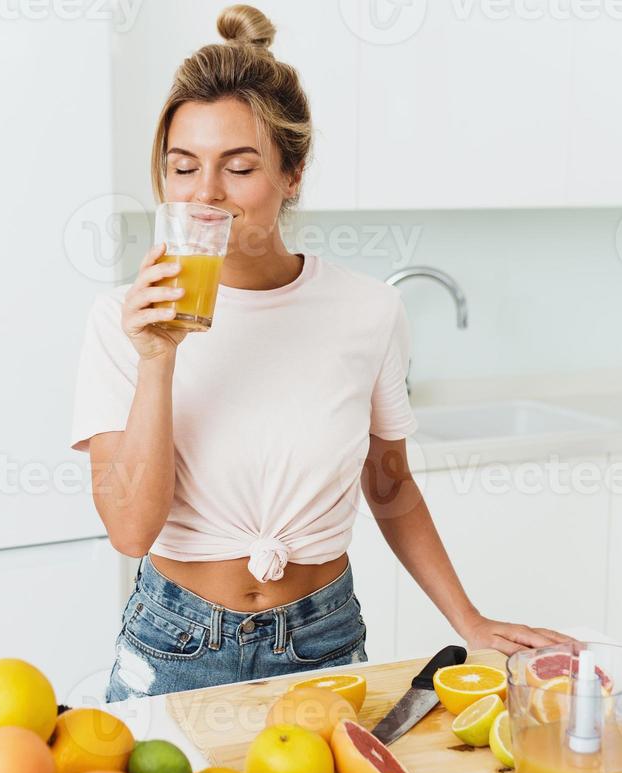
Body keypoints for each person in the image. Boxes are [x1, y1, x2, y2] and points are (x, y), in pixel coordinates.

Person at [70, 4, 574, 702]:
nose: (205, 195)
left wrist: (469, 620)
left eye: (238, 168)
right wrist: (158, 360)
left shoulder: (368, 311)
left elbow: (390, 482)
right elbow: (130, 532)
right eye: (183, 168)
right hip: (175, 644)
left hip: (323, 639)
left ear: (293, 173)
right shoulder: (119, 323)